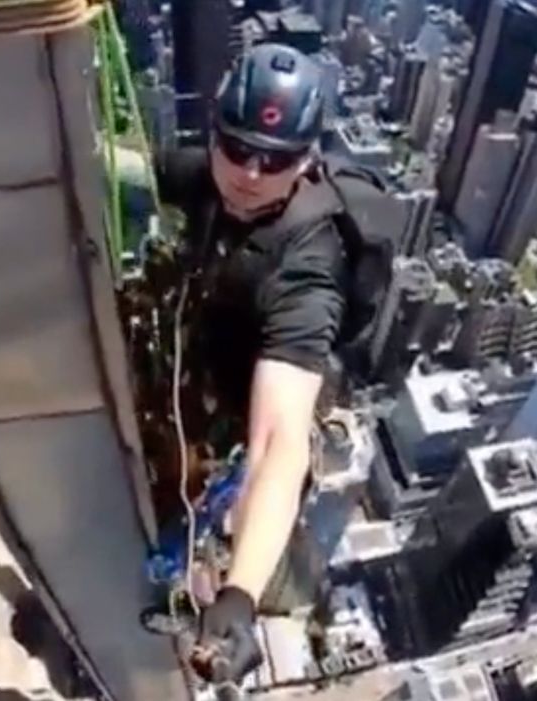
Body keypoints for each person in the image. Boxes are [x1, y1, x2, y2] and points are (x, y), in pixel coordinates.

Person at [154, 43, 349, 686]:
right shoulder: (206, 177)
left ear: (307, 160)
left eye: (277, 160)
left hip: (250, 407)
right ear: (214, 136)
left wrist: (238, 596)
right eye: (238, 149)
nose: (251, 173)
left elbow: (278, 443)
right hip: (210, 359)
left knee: (211, 495)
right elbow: (125, 168)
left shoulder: (309, 269)